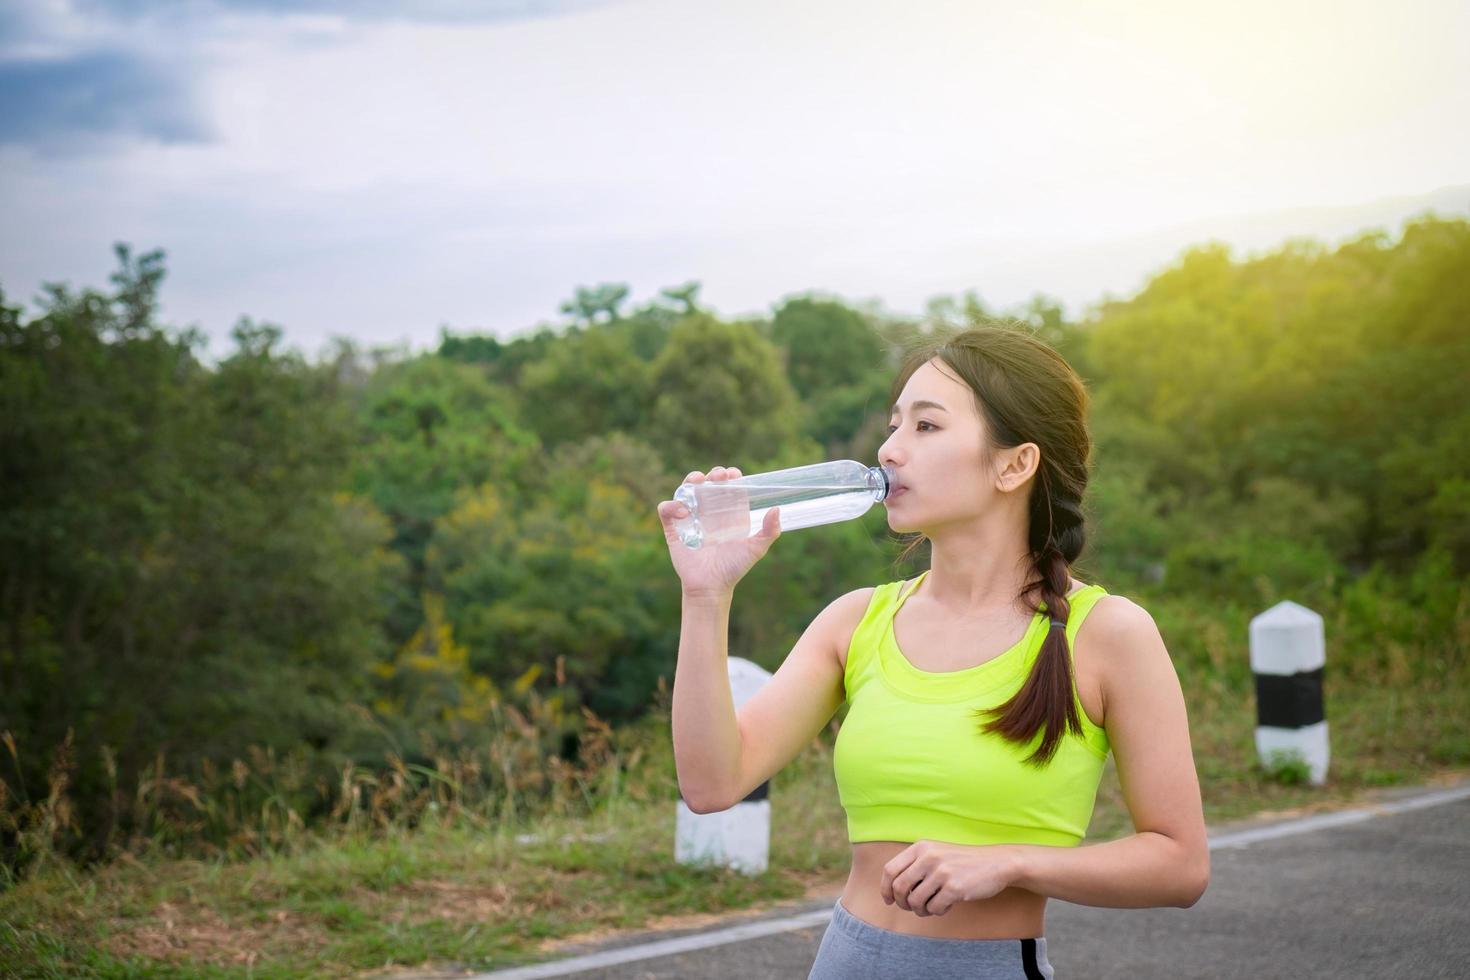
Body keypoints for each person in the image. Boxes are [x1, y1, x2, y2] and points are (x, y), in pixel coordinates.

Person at [656, 327, 1208, 979]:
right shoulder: (856, 620)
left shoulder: (1107, 633)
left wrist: (1010, 862)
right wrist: (705, 595)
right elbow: (712, 784)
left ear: (1014, 464)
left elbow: (1180, 864)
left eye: (926, 427)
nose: (890, 450)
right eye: (894, 426)